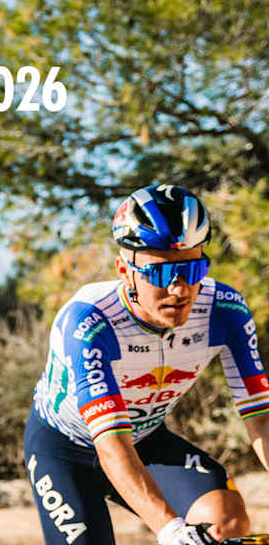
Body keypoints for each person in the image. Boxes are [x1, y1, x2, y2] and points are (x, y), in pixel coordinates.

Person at [26, 184, 269, 545]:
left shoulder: (224, 311)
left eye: (193, 269)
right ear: (124, 271)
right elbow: (111, 444)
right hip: (64, 450)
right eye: (160, 273)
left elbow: (261, 418)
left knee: (225, 521)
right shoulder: (89, 322)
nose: (180, 289)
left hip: (145, 440)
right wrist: (172, 529)